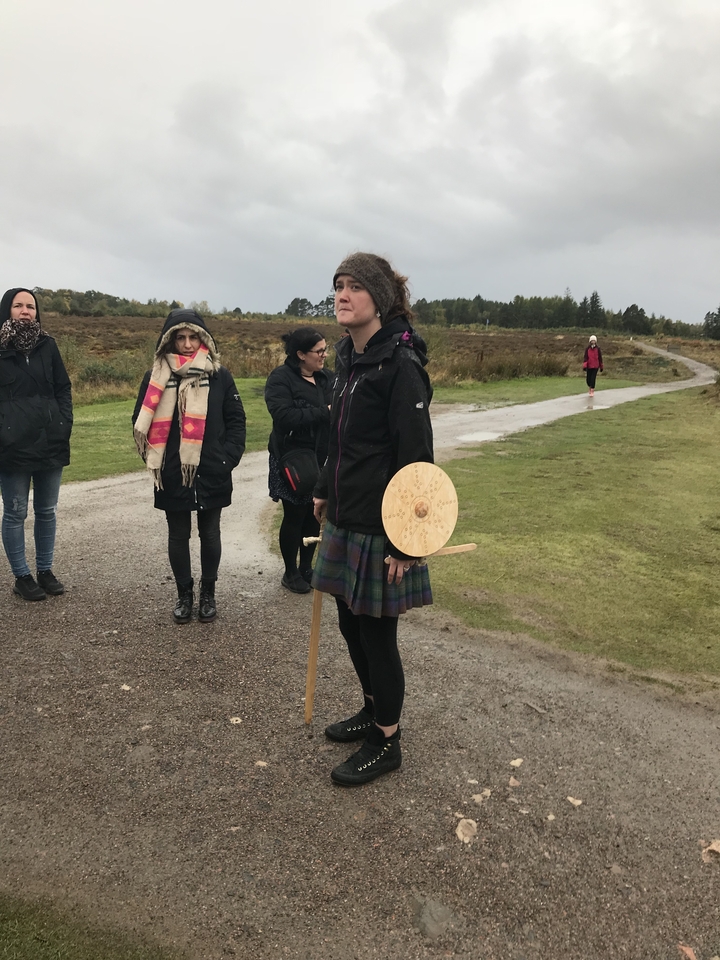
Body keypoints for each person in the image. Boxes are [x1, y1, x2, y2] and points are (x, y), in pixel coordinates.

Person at [311, 253, 434, 787]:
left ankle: (387, 739)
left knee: (377, 634)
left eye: (355, 286)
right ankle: (371, 707)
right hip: (345, 514)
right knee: (347, 621)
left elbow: (417, 462)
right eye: (338, 285)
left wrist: (407, 543)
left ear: (379, 300)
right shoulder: (348, 361)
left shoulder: (400, 367)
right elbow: (338, 441)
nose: (342, 295)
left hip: (382, 527)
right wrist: (321, 489)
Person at [133, 308, 246, 623]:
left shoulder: (219, 375)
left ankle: (208, 594)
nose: (185, 343)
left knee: (210, 533)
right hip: (172, 471)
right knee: (178, 533)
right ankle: (185, 595)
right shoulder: (154, 376)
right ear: (169, 340)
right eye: (179, 337)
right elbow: (139, 421)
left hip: (211, 467)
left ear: (203, 338)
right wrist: (157, 460)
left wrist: (227, 459)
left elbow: (236, 421)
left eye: (192, 337)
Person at [0, 287, 73, 601]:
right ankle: (22, 576)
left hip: (50, 440)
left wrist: (63, 422)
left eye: (30, 306)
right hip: (12, 445)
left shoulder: (48, 346)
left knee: (47, 511)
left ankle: (45, 570)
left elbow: (63, 388)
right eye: (18, 305)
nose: (26, 311)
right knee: (15, 513)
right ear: (7, 310)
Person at [264, 327, 332, 594]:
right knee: (294, 515)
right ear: (301, 354)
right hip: (291, 459)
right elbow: (284, 416)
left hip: (320, 458)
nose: (324, 355)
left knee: (315, 514)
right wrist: (324, 412)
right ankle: (290, 572)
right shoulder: (280, 379)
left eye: (325, 349)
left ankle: (306, 567)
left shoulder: (327, 379)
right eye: (319, 351)